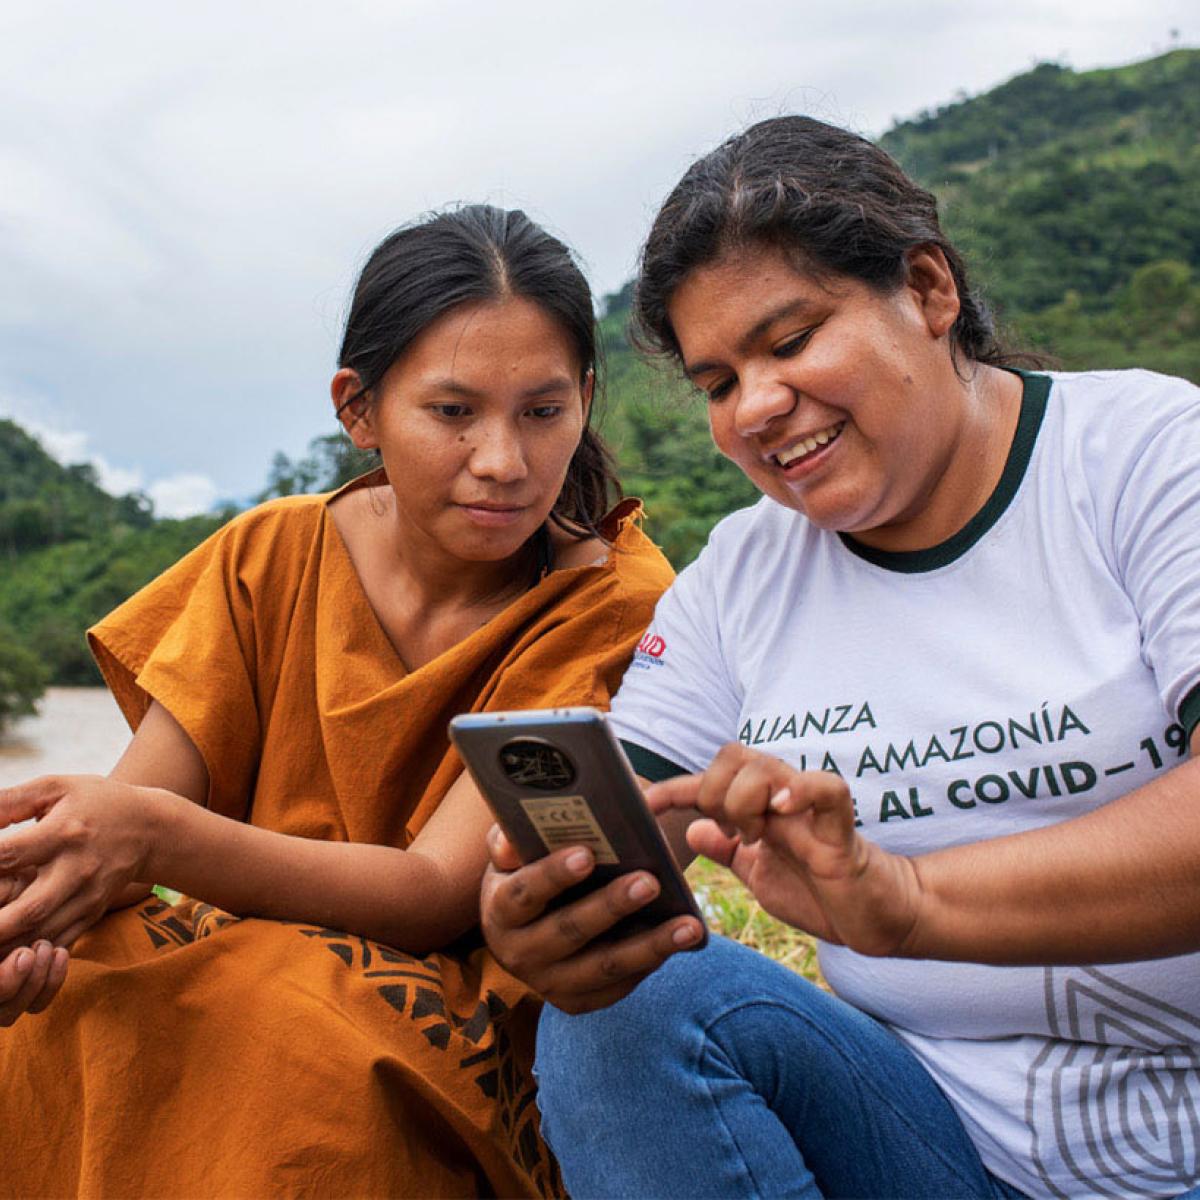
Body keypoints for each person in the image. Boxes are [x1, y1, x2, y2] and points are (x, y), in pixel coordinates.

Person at [480, 117, 1200, 1199]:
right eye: (720, 382)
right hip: (928, 1143)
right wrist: (553, 910)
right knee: (625, 1002)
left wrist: (905, 900)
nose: (759, 406)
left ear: (927, 289)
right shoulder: (741, 576)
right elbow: (635, 810)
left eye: (791, 340)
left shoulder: (1146, 455)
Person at [0, 205, 673, 1197]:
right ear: (359, 409)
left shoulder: (610, 603)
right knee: (76, 978)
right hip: (236, 946)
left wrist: (143, 838)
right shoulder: (269, 553)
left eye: (543, 410)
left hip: (441, 999)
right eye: (453, 412)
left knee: (291, 1039)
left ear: (584, 399)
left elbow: (434, 893)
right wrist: (38, 907)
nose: (505, 460)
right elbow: (134, 826)